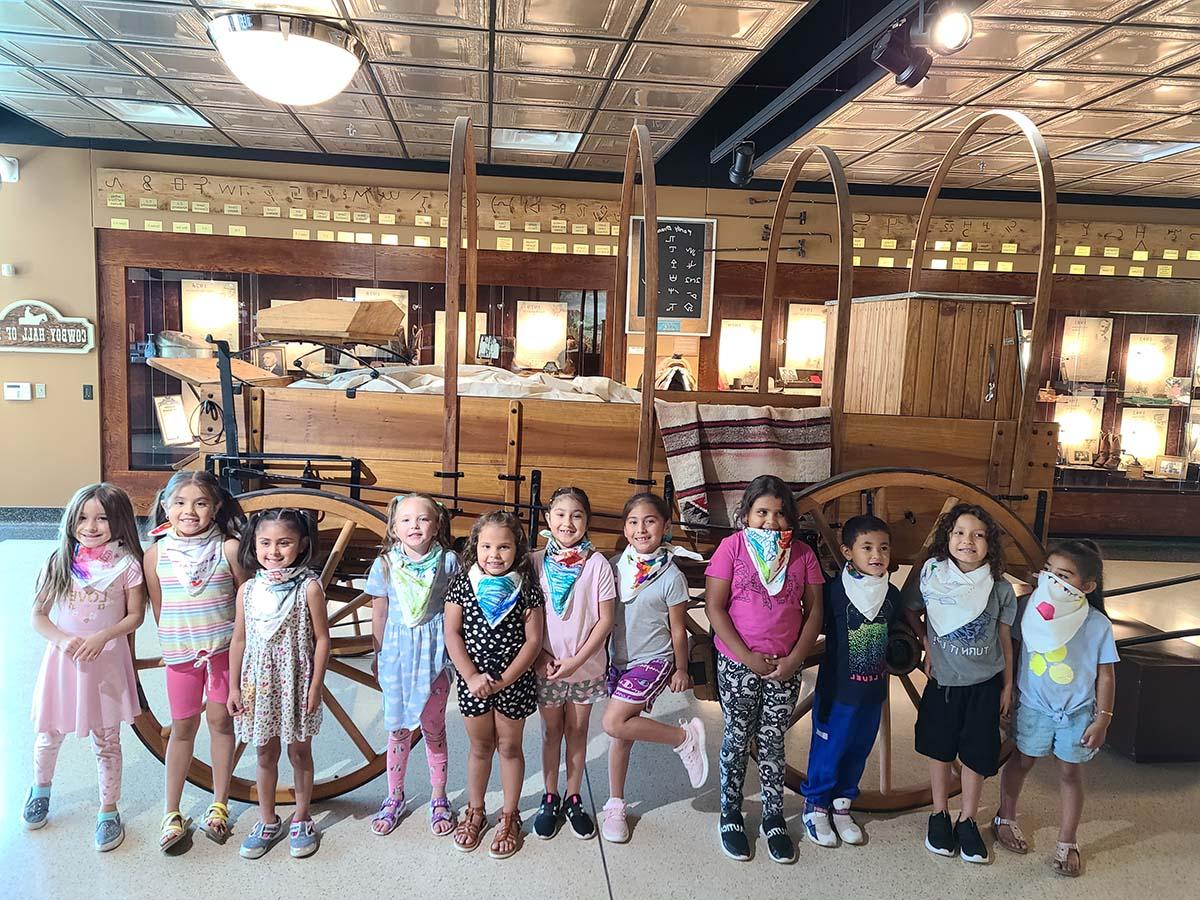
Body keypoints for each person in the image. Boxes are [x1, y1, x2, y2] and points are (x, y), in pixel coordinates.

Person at [706, 475, 824, 863]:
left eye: (779, 513)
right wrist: (745, 656)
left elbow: (814, 613)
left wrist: (794, 661)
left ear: (790, 518)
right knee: (737, 738)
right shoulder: (732, 548)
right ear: (746, 515)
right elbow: (715, 608)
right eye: (762, 512)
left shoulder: (803, 555)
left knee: (774, 741)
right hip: (739, 662)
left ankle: (773, 816)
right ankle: (730, 813)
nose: (770, 521)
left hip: (785, 667)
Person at [24, 483, 146, 853]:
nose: (90, 526)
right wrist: (61, 639)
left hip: (105, 662)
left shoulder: (127, 565)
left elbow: (135, 616)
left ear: (119, 521)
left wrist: (104, 636)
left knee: (107, 740)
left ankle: (108, 810)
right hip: (64, 662)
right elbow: (39, 616)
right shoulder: (61, 560)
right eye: (82, 517)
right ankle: (40, 789)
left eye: (102, 518)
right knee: (49, 733)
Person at [995, 540, 1117, 877]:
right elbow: (1010, 648)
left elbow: (1106, 675)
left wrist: (1103, 719)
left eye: (1064, 576)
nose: (1052, 581)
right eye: (1048, 571)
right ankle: (1005, 817)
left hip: (1076, 712)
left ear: (1087, 587)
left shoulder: (1097, 625)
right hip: (1033, 705)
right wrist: (1007, 690)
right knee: (1021, 760)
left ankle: (1067, 840)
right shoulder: (1029, 609)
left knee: (1070, 772)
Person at [904, 503, 1016, 865]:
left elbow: (1004, 639)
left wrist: (1008, 684)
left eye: (978, 534)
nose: (968, 540)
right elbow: (910, 610)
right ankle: (940, 813)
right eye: (959, 533)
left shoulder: (999, 588)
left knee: (977, 754)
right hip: (945, 682)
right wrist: (925, 642)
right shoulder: (932, 576)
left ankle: (968, 819)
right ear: (947, 538)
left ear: (990, 544)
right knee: (939, 749)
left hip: (984, 684)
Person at [143, 471, 247, 850]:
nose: (189, 511)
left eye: (201, 503)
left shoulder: (229, 549)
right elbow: (159, 606)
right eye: (180, 503)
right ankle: (172, 811)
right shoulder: (155, 554)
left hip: (222, 654)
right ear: (166, 507)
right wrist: (177, 643)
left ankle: (219, 804)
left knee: (220, 723)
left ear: (216, 507)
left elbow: (244, 600)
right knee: (181, 728)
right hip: (182, 656)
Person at [601, 493, 708, 845]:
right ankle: (616, 803)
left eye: (649, 521)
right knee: (621, 734)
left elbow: (679, 629)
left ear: (665, 527)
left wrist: (681, 669)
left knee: (613, 722)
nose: (640, 528)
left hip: (655, 660)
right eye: (633, 521)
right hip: (620, 661)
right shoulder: (617, 565)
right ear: (625, 528)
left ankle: (684, 738)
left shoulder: (671, 576)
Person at [228, 509, 329, 860]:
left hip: (296, 683)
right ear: (253, 545)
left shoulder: (309, 588)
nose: (274, 550)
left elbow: (322, 640)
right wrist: (234, 688)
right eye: (265, 542)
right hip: (258, 683)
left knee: (300, 751)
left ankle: (302, 817)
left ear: (301, 545)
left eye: (284, 542)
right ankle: (267, 819)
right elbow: (238, 640)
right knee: (264, 752)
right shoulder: (248, 590)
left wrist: (316, 686)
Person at [444, 511, 545, 858]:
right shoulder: (463, 583)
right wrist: (471, 677)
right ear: (476, 546)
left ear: (517, 549)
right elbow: (452, 632)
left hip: (512, 682)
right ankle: (475, 810)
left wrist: (504, 680)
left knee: (510, 748)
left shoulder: (526, 586)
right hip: (473, 683)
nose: (494, 554)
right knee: (479, 747)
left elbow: (533, 641)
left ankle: (510, 815)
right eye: (486, 546)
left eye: (504, 546)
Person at [801, 514, 900, 848]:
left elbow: (901, 632)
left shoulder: (891, 595)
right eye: (867, 547)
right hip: (838, 691)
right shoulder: (834, 593)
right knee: (830, 747)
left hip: (873, 693)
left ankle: (843, 803)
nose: (877, 555)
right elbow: (812, 626)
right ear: (847, 551)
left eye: (884, 548)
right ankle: (815, 805)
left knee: (859, 747)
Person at [365, 494, 460, 837]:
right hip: (397, 656)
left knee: (434, 730)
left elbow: (456, 610)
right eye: (405, 520)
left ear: (437, 525)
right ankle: (394, 796)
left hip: (433, 657)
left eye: (422, 519)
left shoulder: (448, 562)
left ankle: (439, 795)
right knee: (398, 732)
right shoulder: (386, 565)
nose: (414, 526)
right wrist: (378, 654)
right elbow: (379, 611)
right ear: (393, 528)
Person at [531, 487, 615, 841]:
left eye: (576, 515)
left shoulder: (597, 564)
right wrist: (540, 657)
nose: (567, 522)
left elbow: (605, 620)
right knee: (552, 732)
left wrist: (578, 660)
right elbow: (524, 617)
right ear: (549, 519)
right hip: (546, 668)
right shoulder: (534, 562)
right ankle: (550, 796)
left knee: (578, 733)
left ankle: (574, 795)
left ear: (586, 522)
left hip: (585, 668)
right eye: (560, 514)